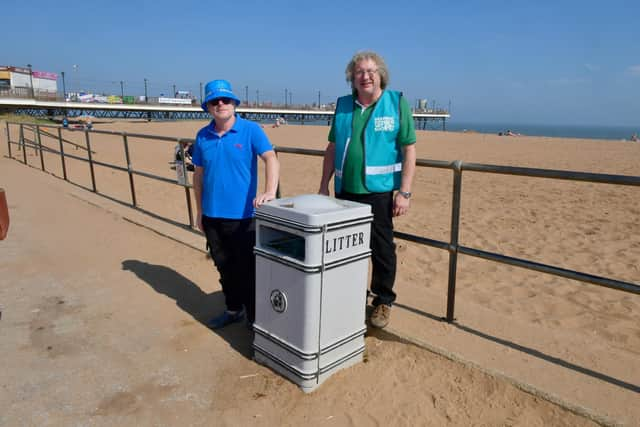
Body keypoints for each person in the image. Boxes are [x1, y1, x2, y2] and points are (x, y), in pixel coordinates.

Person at [318, 51, 417, 329]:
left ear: (381, 75)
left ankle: (383, 301)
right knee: (346, 248)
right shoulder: (343, 106)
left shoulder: (396, 103)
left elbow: (409, 150)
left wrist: (404, 192)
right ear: (352, 78)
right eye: (360, 71)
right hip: (345, 191)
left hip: (379, 192)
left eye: (371, 71)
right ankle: (352, 296)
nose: (366, 76)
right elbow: (332, 148)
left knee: (382, 249)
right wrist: (323, 184)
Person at [192, 79, 280, 329]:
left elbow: (271, 159)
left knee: (249, 272)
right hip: (211, 216)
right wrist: (199, 211)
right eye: (214, 101)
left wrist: (269, 191)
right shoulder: (202, 136)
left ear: (234, 103)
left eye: (225, 100)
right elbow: (198, 175)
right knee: (224, 268)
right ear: (208, 107)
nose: (220, 104)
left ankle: (256, 321)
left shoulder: (250, 130)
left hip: (242, 218)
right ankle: (233, 310)